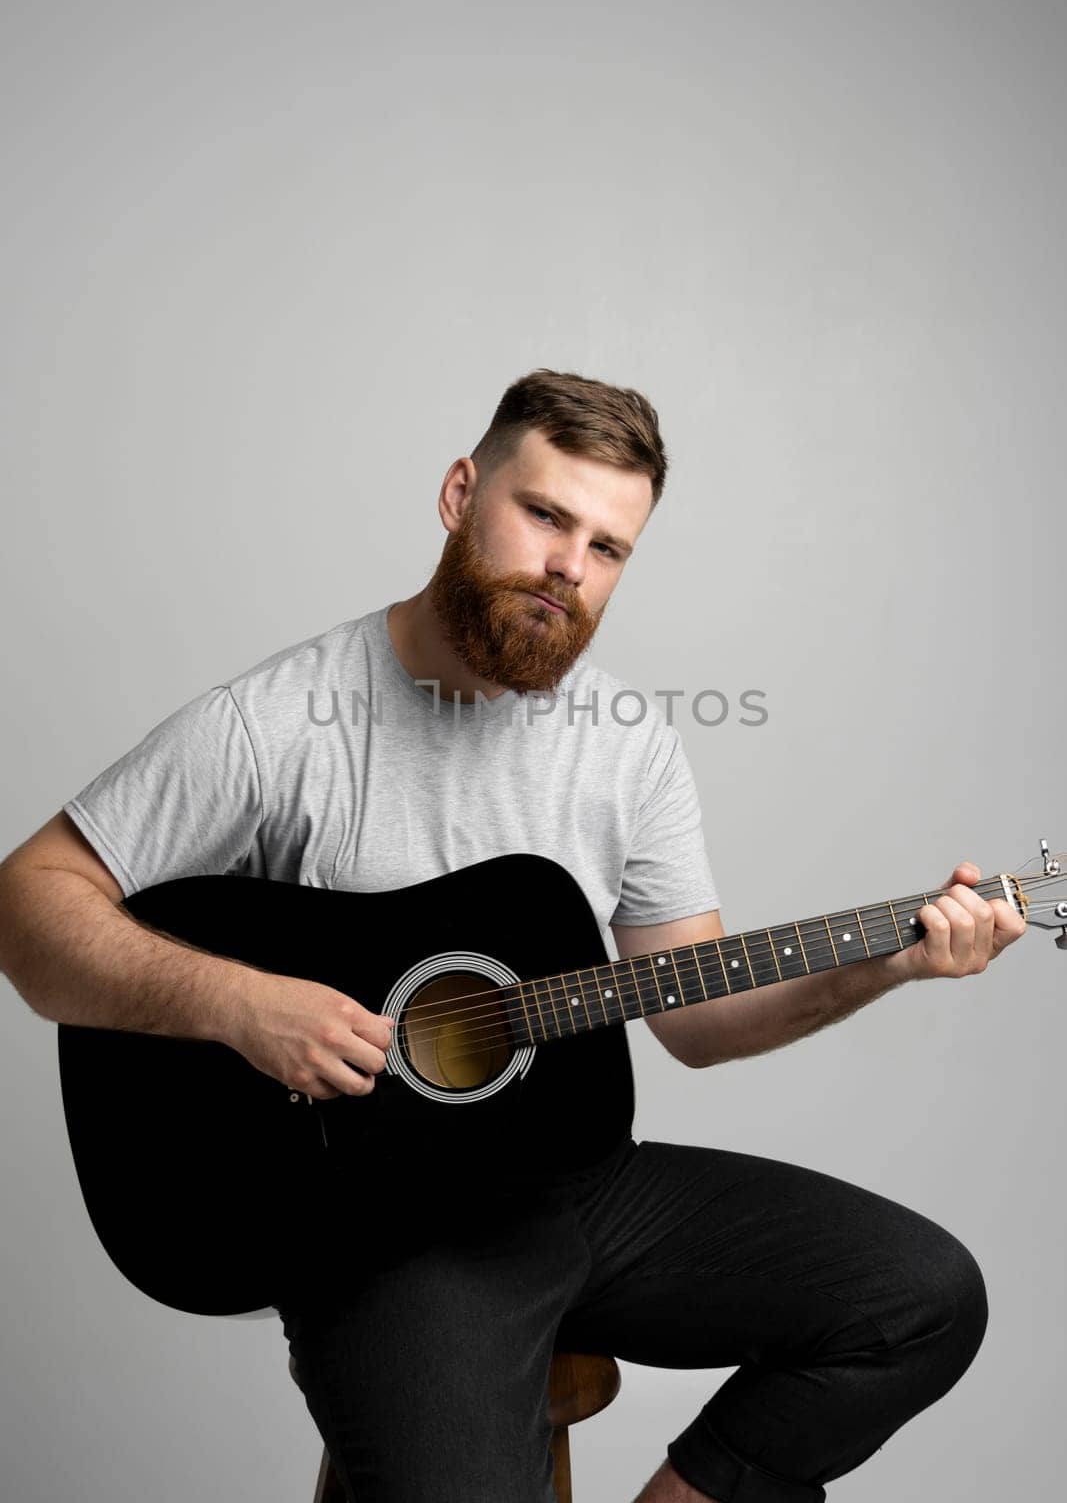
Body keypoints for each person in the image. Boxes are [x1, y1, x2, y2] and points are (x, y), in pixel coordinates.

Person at [0, 368, 1027, 1503]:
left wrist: (883, 965)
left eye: (607, 547)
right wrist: (238, 1006)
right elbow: (28, 903)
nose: (567, 569)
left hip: (576, 1187)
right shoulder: (282, 720)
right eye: (544, 515)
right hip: (386, 1237)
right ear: (457, 493)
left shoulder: (627, 747)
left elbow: (697, 1018)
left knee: (918, 1296)